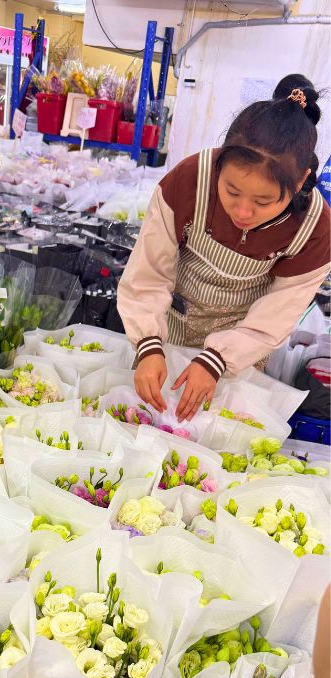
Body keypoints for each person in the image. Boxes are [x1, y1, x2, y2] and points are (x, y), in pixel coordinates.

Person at [119, 74, 331, 421]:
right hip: (171, 324)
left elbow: (276, 314)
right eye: (231, 191)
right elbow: (148, 274)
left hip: (243, 345)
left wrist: (219, 359)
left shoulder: (315, 229)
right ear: (219, 161)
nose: (243, 211)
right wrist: (148, 345)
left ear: (302, 180)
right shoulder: (189, 181)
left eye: (264, 201)